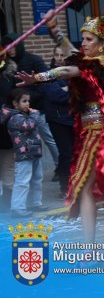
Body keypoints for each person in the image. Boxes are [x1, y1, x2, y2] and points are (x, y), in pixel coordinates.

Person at [16, 9, 104, 250]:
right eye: (83, 39)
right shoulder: (95, 61)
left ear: (102, 44)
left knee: (84, 187)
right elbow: (72, 56)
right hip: (93, 132)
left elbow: (67, 69)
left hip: (101, 135)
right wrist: (54, 28)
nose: (84, 43)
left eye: (89, 39)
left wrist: (38, 77)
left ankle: (90, 247)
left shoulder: (101, 65)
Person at [0, 34, 60, 173]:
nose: (10, 50)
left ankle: (60, 167)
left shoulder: (34, 60)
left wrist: (29, 97)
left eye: (13, 45)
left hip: (37, 109)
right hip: (16, 115)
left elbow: (47, 80)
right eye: (7, 47)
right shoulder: (6, 65)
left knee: (49, 139)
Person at [1, 88, 45, 218]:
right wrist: (35, 115)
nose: (28, 104)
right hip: (24, 154)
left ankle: (35, 203)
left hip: (34, 151)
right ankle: (17, 208)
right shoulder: (15, 117)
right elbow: (29, 126)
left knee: (37, 179)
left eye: (28, 101)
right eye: (24, 101)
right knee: (22, 181)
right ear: (15, 103)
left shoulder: (26, 114)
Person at [0, 57, 16, 212]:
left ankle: (8, 202)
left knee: (7, 167)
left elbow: (15, 99)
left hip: (6, 131)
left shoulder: (9, 77)